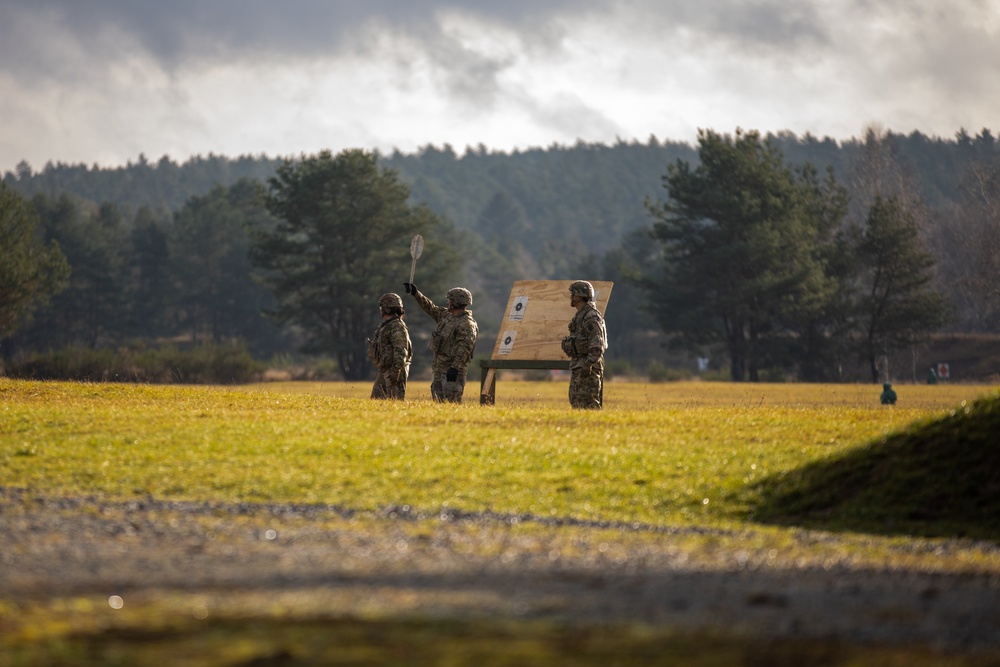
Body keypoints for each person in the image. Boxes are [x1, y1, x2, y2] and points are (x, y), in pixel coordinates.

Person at [402, 283, 478, 402]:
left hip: (452, 374)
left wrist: (455, 368)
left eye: (450, 300)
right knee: (439, 404)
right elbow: (430, 308)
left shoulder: (467, 324)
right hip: (439, 370)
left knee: (451, 405)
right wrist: (416, 294)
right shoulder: (446, 316)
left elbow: (464, 348)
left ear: (456, 302)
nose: (448, 303)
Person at [561, 280, 607, 409]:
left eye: (572, 294)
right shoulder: (581, 315)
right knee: (576, 400)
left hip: (588, 366)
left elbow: (597, 344)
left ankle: (595, 427)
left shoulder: (591, 317)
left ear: (578, 296)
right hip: (579, 364)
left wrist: (588, 364)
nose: (571, 297)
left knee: (589, 402)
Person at [366, 293, 412, 400]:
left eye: (382, 307)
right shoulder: (387, 325)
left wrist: (395, 371)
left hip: (394, 371)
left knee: (394, 400)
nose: (381, 309)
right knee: (377, 400)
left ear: (387, 308)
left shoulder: (396, 326)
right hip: (386, 369)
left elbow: (401, 350)